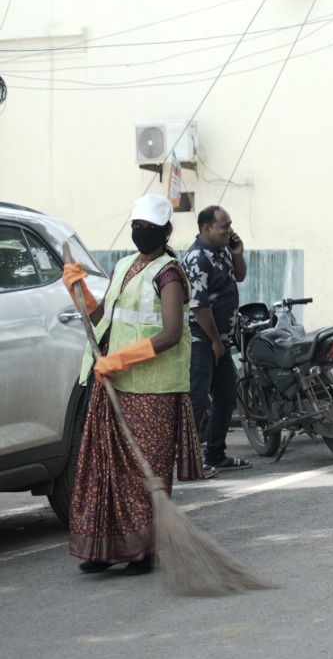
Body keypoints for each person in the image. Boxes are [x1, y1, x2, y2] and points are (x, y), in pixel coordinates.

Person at [63, 195, 205, 576]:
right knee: (105, 467)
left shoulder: (170, 273)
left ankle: (142, 550)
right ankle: (105, 547)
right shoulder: (124, 264)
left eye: (149, 228)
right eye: (137, 226)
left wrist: (121, 359)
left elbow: (172, 333)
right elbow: (103, 317)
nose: (141, 233)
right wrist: (81, 292)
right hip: (112, 383)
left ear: (166, 232)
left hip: (152, 390)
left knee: (145, 472)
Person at [183, 204, 250, 474]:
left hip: (220, 340)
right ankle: (186, 462)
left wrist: (238, 254)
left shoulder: (221, 252)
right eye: (224, 226)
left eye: (230, 225)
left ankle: (215, 455)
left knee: (226, 395)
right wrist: (214, 341)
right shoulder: (197, 258)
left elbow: (241, 276)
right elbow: (199, 307)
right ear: (206, 228)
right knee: (196, 399)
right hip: (203, 340)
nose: (229, 230)